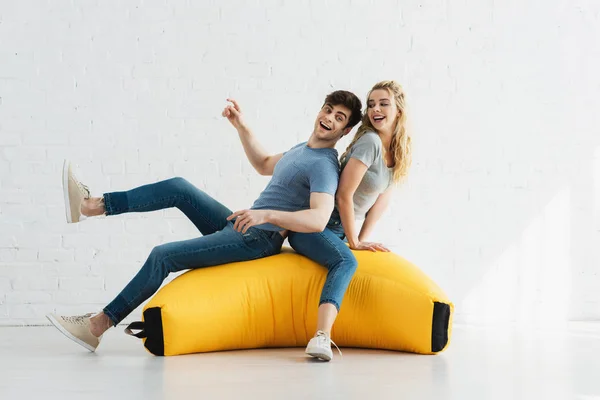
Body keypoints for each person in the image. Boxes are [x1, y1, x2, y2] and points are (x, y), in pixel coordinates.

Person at [47, 90, 362, 352]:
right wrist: (241, 127)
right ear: (320, 109)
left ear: (345, 131)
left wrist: (266, 215)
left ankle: (97, 325)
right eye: (329, 109)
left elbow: (319, 218)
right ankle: (91, 206)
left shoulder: (324, 165)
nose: (329, 118)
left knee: (163, 255)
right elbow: (265, 164)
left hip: (258, 238)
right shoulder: (302, 149)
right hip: (243, 225)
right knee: (179, 188)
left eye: (339, 118)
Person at [289, 80, 412, 361]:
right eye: (371, 104)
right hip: (316, 224)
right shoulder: (370, 143)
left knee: (351, 256)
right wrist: (354, 240)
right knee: (346, 261)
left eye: (383, 104)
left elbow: (381, 199)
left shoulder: (398, 150)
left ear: (399, 111)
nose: (375, 109)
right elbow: (344, 195)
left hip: (340, 231)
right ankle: (321, 337)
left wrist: (361, 237)